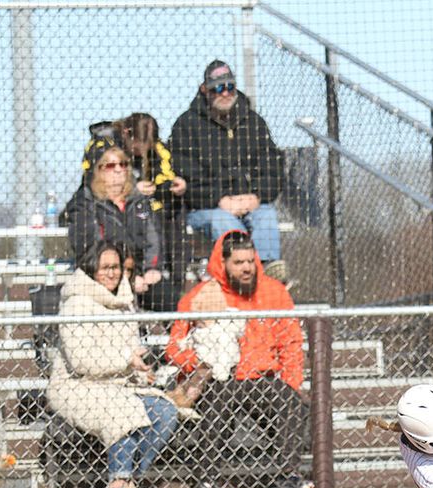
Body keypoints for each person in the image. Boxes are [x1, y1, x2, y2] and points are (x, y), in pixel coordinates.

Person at [165, 230, 309, 488]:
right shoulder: (202, 295)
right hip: (220, 379)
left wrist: (291, 383)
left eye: (250, 261)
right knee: (219, 405)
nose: (246, 268)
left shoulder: (274, 293)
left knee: (289, 400)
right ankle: (206, 482)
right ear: (223, 264)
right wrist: (200, 364)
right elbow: (174, 346)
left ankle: (289, 476)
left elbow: (290, 343)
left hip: (261, 378)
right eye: (238, 263)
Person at [45, 240, 181, 488]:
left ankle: (128, 480)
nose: (112, 273)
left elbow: (131, 352)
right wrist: (127, 360)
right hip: (77, 386)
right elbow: (82, 361)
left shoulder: (124, 303)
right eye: (105, 267)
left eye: (116, 267)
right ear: (91, 268)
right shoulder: (77, 304)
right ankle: (119, 483)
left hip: (119, 385)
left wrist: (141, 371)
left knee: (165, 412)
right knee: (124, 411)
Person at [169, 60, 289, 283]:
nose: (224, 92)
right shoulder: (186, 126)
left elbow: (273, 168)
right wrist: (220, 200)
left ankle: (267, 279)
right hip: (208, 207)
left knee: (266, 215)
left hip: (251, 202)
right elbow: (186, 178)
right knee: (222, 221)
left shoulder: (253, 122)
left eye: (229, 87)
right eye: (217, 87)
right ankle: (241, 278)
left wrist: (256, 196)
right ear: (205, 89)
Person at [86, 113, 189, 313]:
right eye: (138, 145)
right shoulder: (102, 145)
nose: (142, 151)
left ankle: (171, 279)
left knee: (173, 218)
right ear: (126, 134)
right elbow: (93, 181)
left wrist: (170, 186)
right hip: (113, 213)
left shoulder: (158, 148)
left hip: (149, 209)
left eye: (147, 146)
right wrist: (132, 188)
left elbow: (165, 173)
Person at [65, 137, 163, 296]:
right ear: (98, 170)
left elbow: (153, 239)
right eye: (111, 165)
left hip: (140, 273)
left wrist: (152, 269)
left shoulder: (139, 201)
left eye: (123, 164)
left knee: (168, 296)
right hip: (104, 275)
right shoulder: (86, 204)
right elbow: (88, 247)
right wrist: (126, 276)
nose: (119, 169)